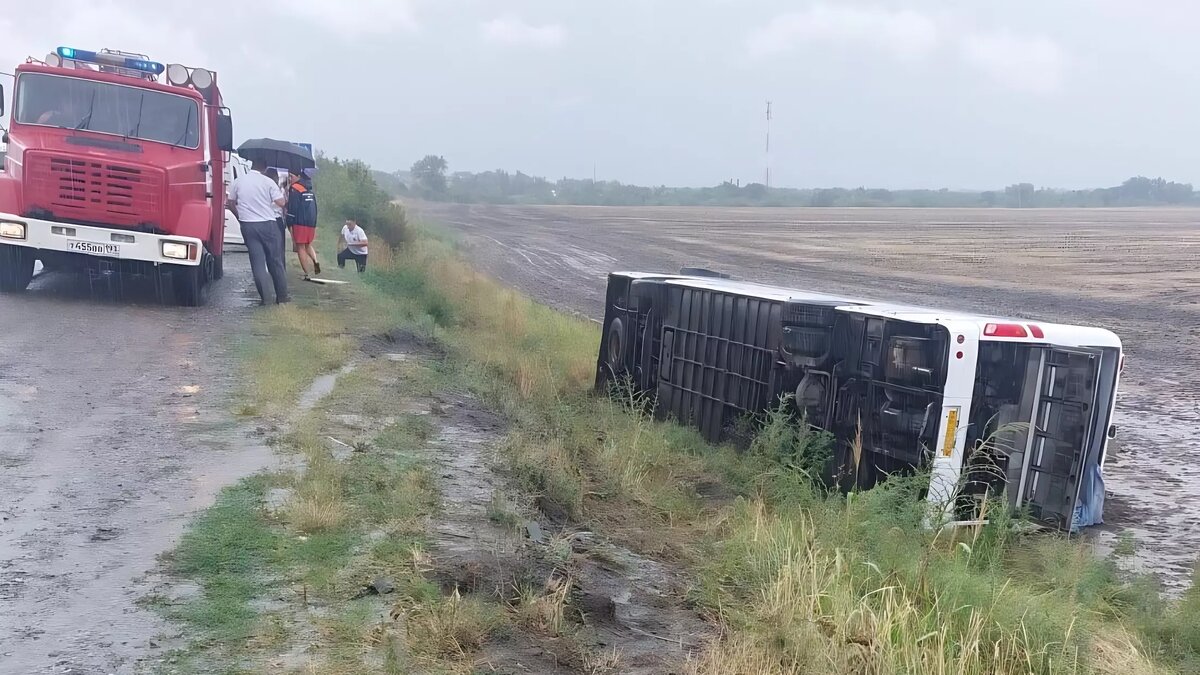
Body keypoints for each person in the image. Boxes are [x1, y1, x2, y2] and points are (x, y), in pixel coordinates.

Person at [227, 158, 289, 305]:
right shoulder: (268, 182)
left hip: (248, 225)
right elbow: (281, 203)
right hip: (268, 225)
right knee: (275, 261)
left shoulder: (239, 181)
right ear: (265, 168)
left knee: (258, 263)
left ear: (252, 166)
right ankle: (282, 297)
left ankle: (265, 299)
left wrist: (239, 216)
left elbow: (230, 202)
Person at [285, 169, 321, 279]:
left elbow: (293, 207)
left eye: (291, 176)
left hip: (300, 222)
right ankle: (316, 262)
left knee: (300, 247)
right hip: (311, 222)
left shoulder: (295, 188)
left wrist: (289, 222)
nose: (290, 179)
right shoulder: (309, 189)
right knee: (308, 245)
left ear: (298, 176)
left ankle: (307, 274)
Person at [264, 168, 286, 269]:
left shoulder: (263, 188)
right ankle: (281, 268)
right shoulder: (279, 190)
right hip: (277, 220)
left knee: (267, 246)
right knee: (279, 247)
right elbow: (283, 204)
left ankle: (269, 267)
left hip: (266, 219)